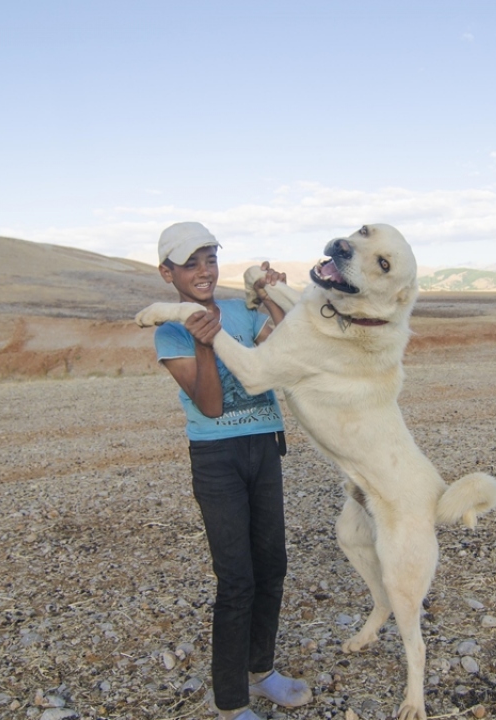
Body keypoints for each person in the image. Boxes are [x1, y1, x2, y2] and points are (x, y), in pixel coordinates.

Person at [151, 221, 312, 720]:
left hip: (264, 447)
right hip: (216, 458)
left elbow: (290, 350)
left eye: (210, 259)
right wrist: (205, 344)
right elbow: (212, 407)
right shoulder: (171, 331)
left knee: (273, 566)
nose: (204, 271)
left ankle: (261, 672)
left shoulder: (242, 314)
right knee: (237, 579)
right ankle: (231, 703)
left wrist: (274, 294)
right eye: (190, 264)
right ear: (168, 273)